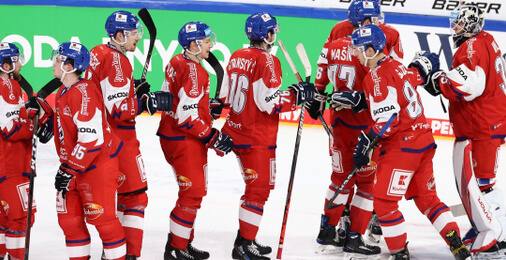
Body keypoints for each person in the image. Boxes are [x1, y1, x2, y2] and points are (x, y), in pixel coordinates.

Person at [331, 25, 471, 260]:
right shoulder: (397, 65)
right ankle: (457, 245)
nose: (354, 54)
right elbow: (403, 88)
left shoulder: (374, 76)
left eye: (357, 49)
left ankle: (399, 254)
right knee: (428, 199)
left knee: (384, 203)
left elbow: (388, 121)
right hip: (424, 142)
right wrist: (361, 100)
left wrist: (365, 141)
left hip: (402, 148)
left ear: (370, 49)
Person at [419, 3, 506, 259]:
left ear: (473, 24)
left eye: (461, 23)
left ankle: (491, 235)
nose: (455, 27)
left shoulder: (472, 46)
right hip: (493, 120)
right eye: (455, 21)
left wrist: (437, 79)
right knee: (485, 181)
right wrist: (442, 79)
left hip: (485, 125)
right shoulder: (485, 39)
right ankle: (501, 232)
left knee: (477, 183)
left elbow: (470, 85)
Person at [217, 12, 315, 260]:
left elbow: (226, 97)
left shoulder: (237, 56)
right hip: (256, 137)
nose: (275, 35)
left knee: (256, 189)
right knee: (258, 191)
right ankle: (244, 245)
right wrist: (295, 96)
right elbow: (268, 103)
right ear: (267, 34)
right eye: (273, 31)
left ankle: (245, 238)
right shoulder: (269, 61)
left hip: (236, 131)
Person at [308, 0, 405, 246]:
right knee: (366, 181)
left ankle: (327, 228)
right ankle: (353, 232)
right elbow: (389, 73)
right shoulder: (382, 36)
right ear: (360, 20)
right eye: (373, 18)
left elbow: (322, 72)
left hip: (339, 121)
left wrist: (317, 100)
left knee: (339, 176)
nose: (378, 21)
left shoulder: (336, 41)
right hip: (367, 124)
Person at [84, 10, 173, 259]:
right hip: (119, 139)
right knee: (134, 197)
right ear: (120, 35)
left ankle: (113, 252)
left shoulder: (98, 52)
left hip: (99, 137)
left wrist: (133, 90)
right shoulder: (117, 60)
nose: (138, 37)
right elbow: (119, 110)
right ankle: (127, 255)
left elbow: (103, 93)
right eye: (134, 33)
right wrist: (146, 102)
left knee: (120, 196)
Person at [38, 41, 127, 260]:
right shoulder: (64, 90)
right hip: (74, 167)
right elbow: (54, 112)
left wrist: (69, 169)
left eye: (57, 59)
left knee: (104, 222)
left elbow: (91, 139)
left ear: (68, 66)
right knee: (70, 221)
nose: (53, 62)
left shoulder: (85, 91)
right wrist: (45, 120)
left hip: (96, 166)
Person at [158, 21, 233, 260]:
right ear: (194, 44)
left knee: (191, 192)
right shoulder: (196, 71)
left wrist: (204, 107)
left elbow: (171, 99)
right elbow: (186, 118)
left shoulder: (176, 62)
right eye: (208, 41)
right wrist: (212, 136)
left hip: (171, 136)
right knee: (192, 193)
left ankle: (182, 243)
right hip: (184, 140)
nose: (211, 44)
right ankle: (176, 248)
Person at [0, 42, 40, 260]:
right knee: (21, 218)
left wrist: (26, 112)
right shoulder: (8, 86)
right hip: (10, 165)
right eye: (16, 60)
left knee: (5, 216)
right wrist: (34, 123)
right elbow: (12, 130)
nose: (20, 64)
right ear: (5, 65)